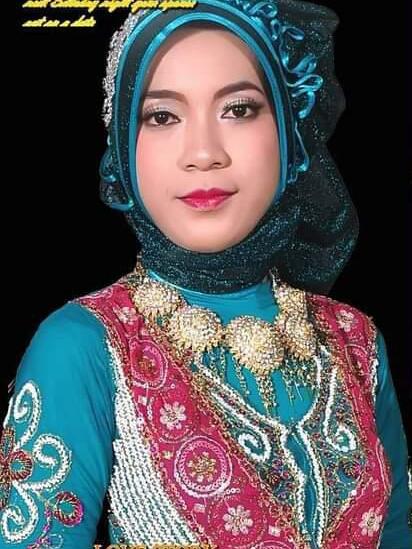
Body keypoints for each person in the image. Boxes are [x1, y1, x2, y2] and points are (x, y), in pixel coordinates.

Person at [1, 0, 411, 547]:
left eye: (238, 109)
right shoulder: (84, 347)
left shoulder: (355, 342)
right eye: (162, 116)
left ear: (290, 134)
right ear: (124, 145)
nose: (203, 153)